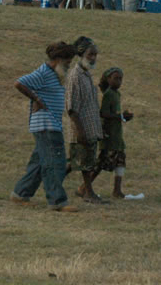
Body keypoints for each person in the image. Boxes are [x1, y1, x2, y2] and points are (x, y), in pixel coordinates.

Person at [10, 41, 78, 212]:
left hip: (50, 124)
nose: (69, 66)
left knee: (40, 163)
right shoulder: (43, 72)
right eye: (67, 63)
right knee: (55, 162)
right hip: (46, 125)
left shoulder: (54, 75)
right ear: (57, 59)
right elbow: (19, 83)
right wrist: (37, 99)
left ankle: (20, 194)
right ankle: (57, 201)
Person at [66, 36, 105, 204]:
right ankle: (88, 193)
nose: (94, 57)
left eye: (95, 54)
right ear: (81, 54)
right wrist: (79, 130)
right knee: (84, 164)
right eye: (90, 54)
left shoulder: (86, 75)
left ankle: (52, 185)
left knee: (80, 162)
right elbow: (71, 107)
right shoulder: (75, 76)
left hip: (90, 127)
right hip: (81, 129)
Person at [96, 67, 133, 199]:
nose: (119, 81)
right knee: (103, 162)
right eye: (116, 78)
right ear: (108, 79)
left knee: (120, 160)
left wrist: (124, 117)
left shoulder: (116, 94)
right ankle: (84, 187)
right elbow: (103, 113)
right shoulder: (108, 94)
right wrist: (120, 116)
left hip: (116, 134)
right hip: (109, 134)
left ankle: (117, 190)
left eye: (120, 79)